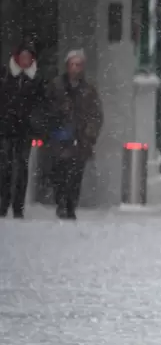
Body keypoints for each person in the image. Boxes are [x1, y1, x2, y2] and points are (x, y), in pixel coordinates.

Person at [45, 49, 103, 220]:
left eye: (78, 65)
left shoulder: (89, 90)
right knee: (59, 173)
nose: (75, 68)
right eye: (72, 64)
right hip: (59, 138)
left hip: (80, 140)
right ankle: (61, 203)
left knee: (75, 174)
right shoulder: (56, 86)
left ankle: (70, 205)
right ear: (67, 66)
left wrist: (89, 134)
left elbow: (96, 115)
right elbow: (46, 110)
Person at [0, 42, 44, 219]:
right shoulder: (4, 75)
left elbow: (41, 105)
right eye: (23, 56)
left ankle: (18, 206)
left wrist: (34, 123)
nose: (25, 60)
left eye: (28, 57)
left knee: (21, 167)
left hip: (25, 130)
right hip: (5, 128)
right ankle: (3, 203)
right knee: (5, 167)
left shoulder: (36, 80)